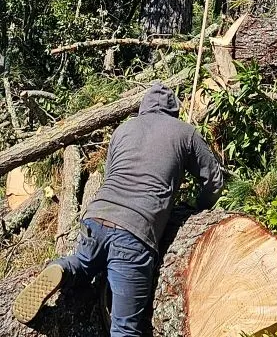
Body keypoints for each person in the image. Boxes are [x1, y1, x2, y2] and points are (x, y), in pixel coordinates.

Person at [13, 83, 223, 336]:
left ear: (143, 108)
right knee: (125, 327)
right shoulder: (185, 133)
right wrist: (196, 208)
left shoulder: (124, 129)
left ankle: (63, 268)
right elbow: (213, 182)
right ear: (175, 110)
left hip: (97, 216)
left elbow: (112, 173)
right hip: (135, 232)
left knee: (84, 262)